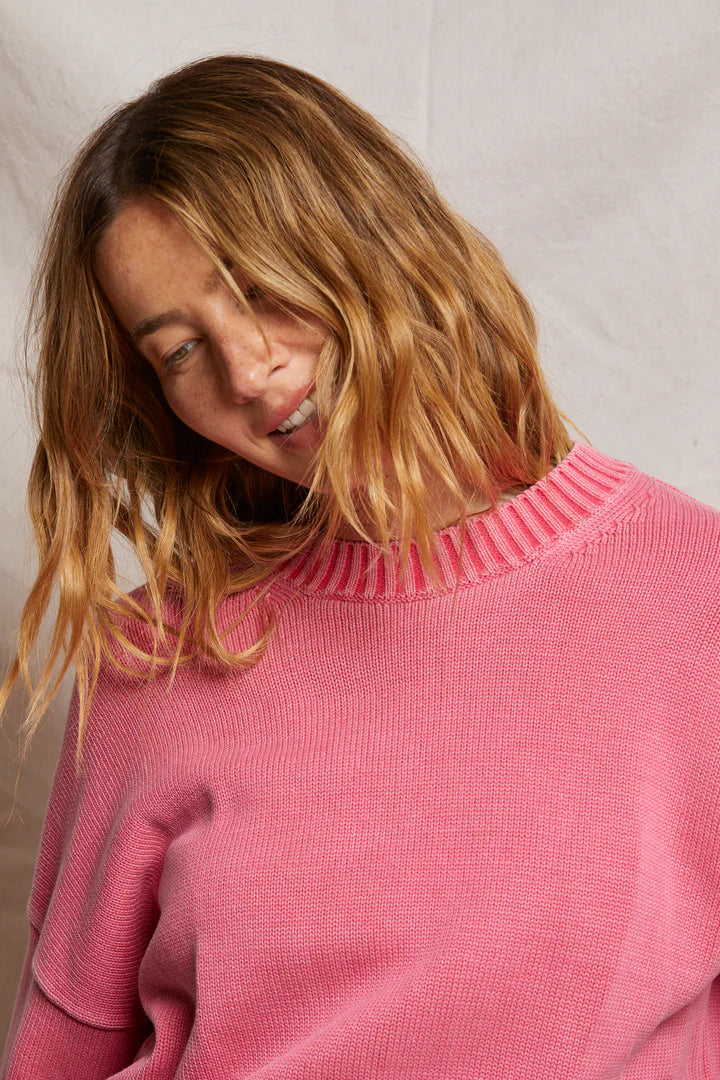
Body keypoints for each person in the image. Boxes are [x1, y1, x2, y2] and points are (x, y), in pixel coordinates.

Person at [1, 53, 718, 1080]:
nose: (248, 371)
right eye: (179, 352)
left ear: (372, 241)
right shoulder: (156, 657)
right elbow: (60, 1051)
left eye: (258, 288)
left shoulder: (695, 598)